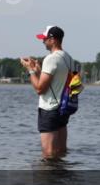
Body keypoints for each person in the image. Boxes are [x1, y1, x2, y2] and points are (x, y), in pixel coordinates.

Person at [20, 26, 74, 159]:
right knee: (61, 151)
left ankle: (47, 179)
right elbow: (55, 82)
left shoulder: (51, 59)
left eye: (45, 39)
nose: (43, 41)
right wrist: (39, 70)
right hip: (63, 108)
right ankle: (61, 177)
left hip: (49, 109)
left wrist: (31, 70)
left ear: (53, 40)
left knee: (48, 153)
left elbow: (40, 89)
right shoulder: (68, 58)